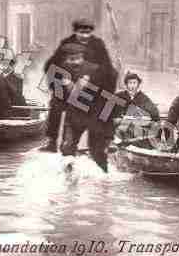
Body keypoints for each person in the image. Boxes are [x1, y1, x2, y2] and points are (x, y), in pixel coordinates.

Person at [40, 18, 116, 152]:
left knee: (107, 104)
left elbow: (107, 68)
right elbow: (50, 66)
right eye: (82, 32)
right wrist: (58, 87)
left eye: (88, 33)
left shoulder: (98, 44)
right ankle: (51, 140)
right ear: (75, 32)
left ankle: (108, 141)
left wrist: (98, 84)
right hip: (68, 86)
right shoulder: (66, 44)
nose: (85, 36)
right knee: (56, 105)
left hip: (92, 85)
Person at [59, 42, 116, 173]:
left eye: (78, 58)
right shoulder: (62, 71)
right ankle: (69, 183)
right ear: (66, 59)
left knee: (98, 153)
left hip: (95, 115)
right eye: (71, 59)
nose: (75, 62)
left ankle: (104, 180)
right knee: (67, 149)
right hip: (73, 116)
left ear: (83, 57)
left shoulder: (94, 71)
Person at [114, 72, 160, 140]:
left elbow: (155, 113)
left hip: (137, 125)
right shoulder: (119, 96)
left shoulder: (143, 98)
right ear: (126, 84)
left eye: (134, 83)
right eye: (130, 83)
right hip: (120, 124)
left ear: (138, 84)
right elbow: (105, 113)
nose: (132, 86)